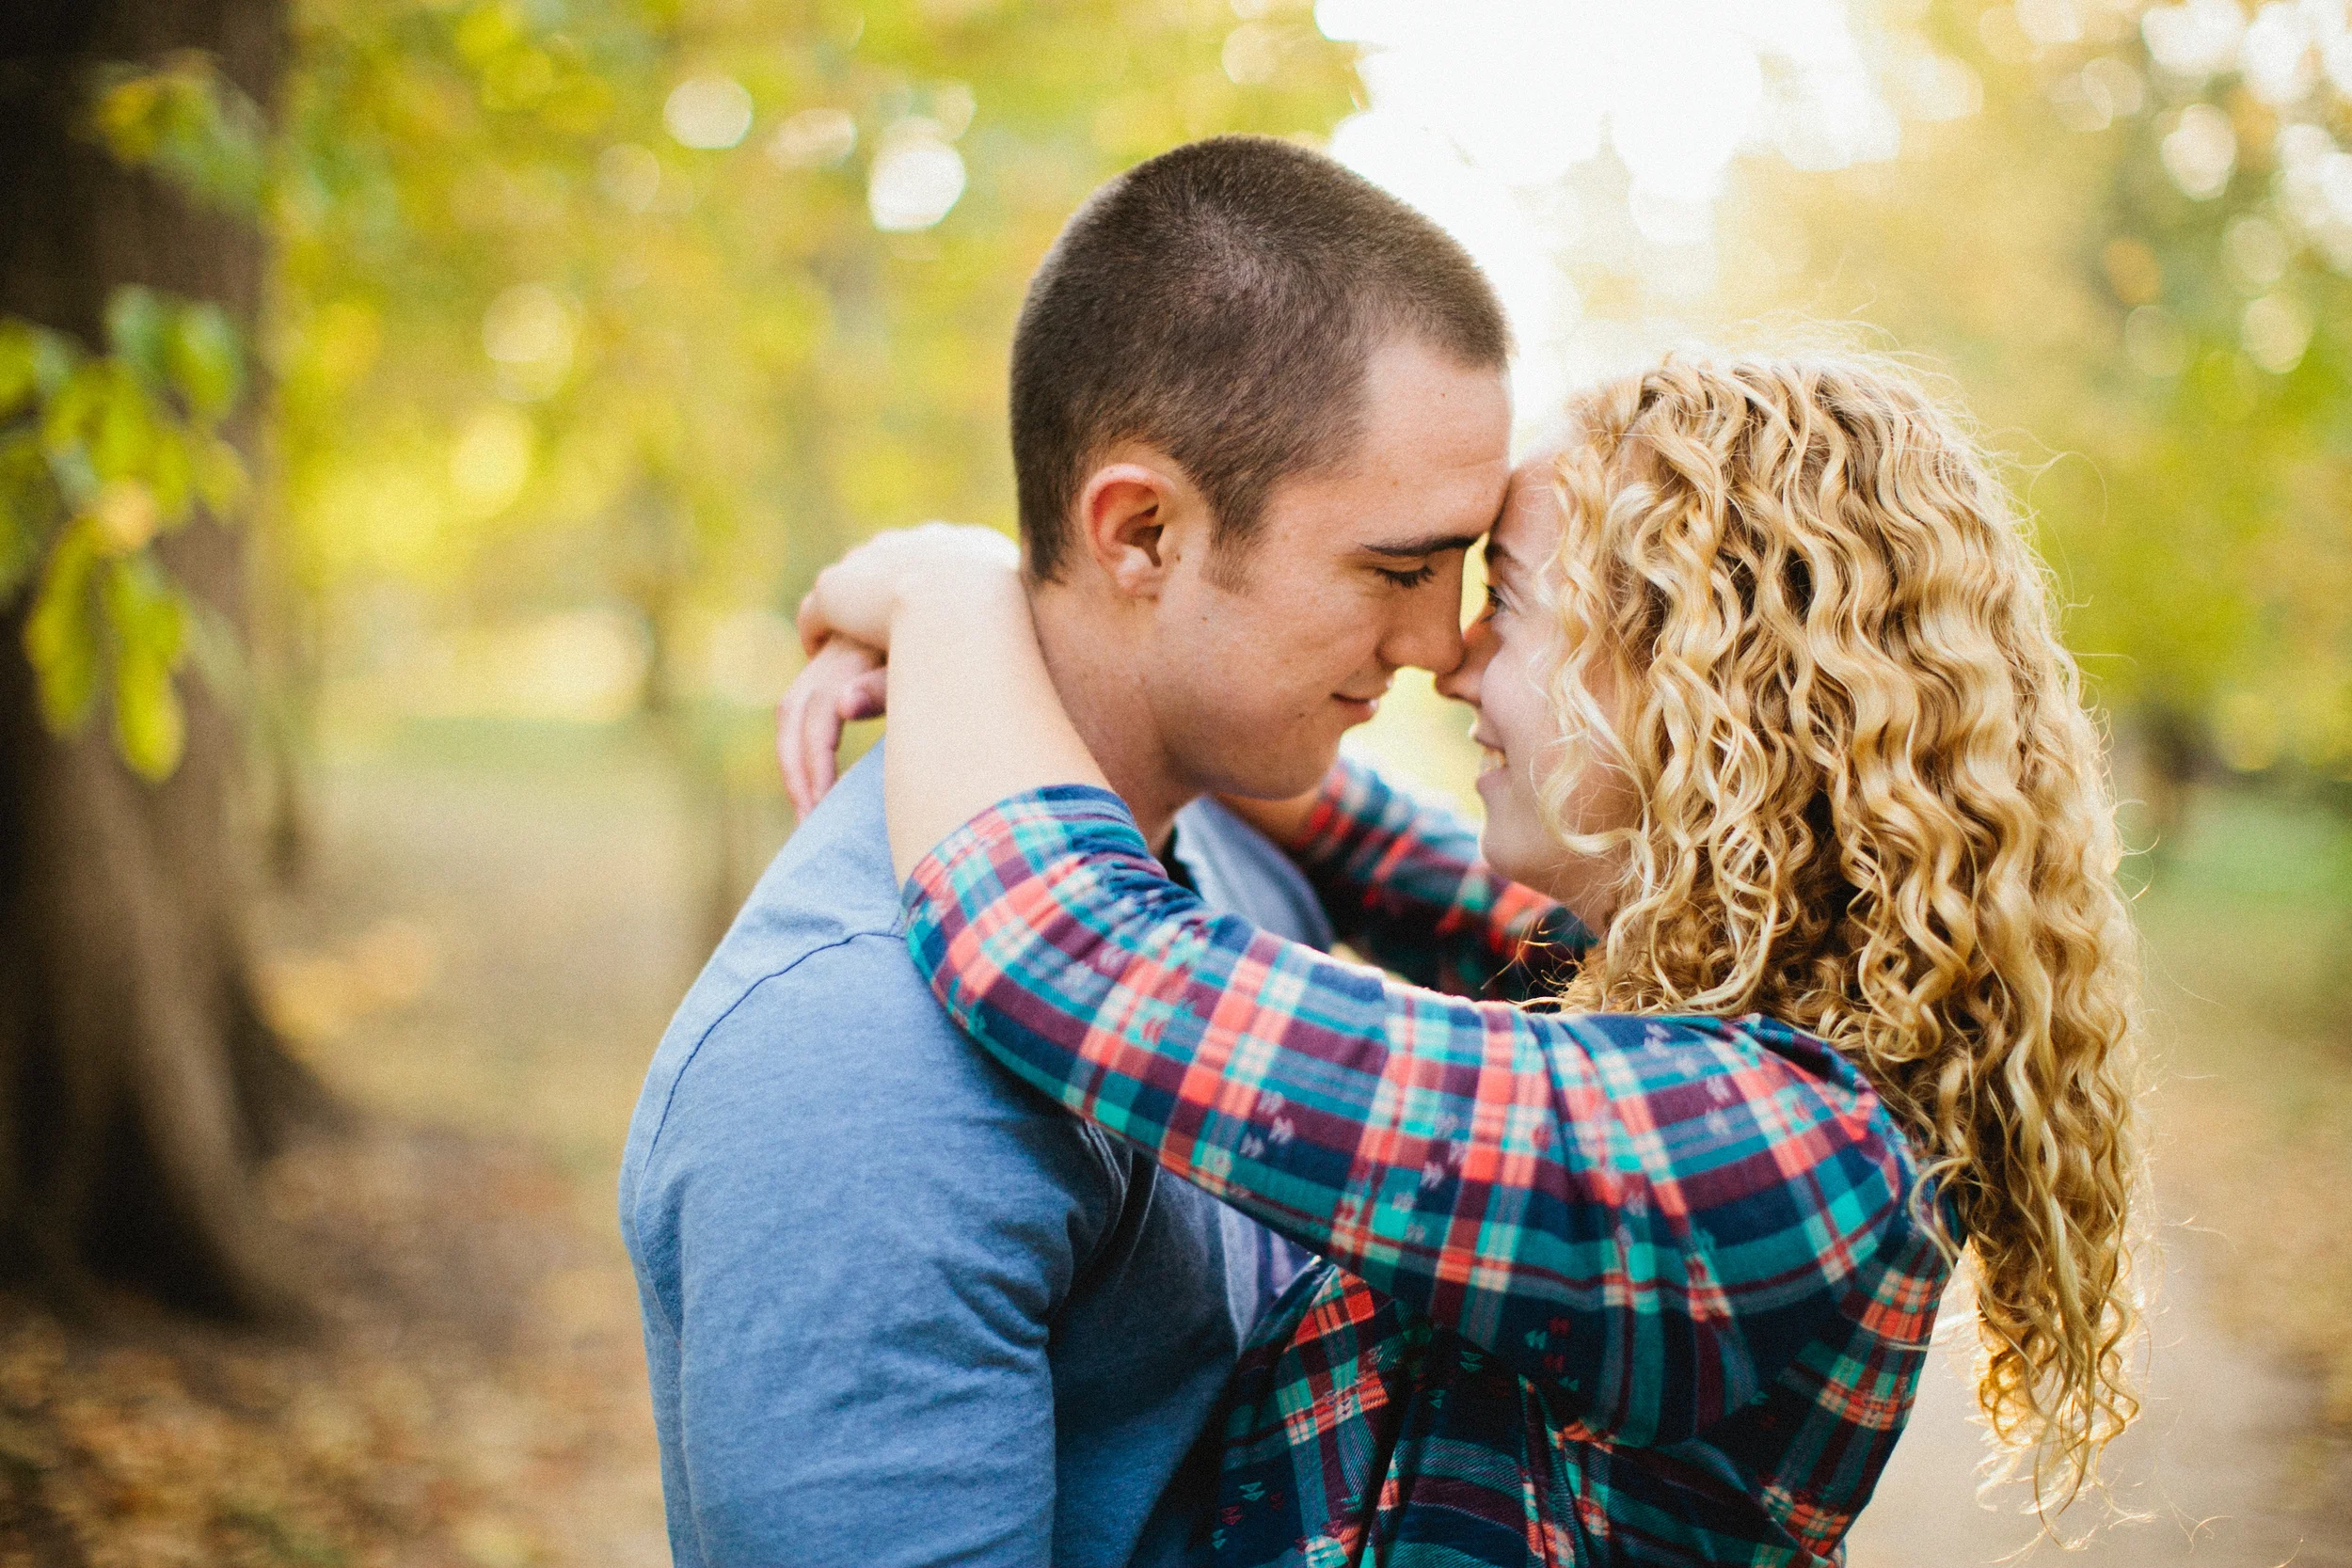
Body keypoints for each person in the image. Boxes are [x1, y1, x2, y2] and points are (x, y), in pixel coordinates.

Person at [784, 351, 2147, 1565]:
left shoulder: (1771, 1163)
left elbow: (1066, 947)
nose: (1449, 658)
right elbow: (1371, 843)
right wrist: (1111, 641)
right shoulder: (1695, 993)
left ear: (1702, 686)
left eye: (1515, 602)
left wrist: (948, 594)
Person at [617, 135, 1530, 1567]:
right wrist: (958, 593)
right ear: (1143, 531)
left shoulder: (1236, 846)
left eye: (1464, 566)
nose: (1436, 641)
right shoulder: (849, 1076)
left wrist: (952, 594)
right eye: (1399, 568)